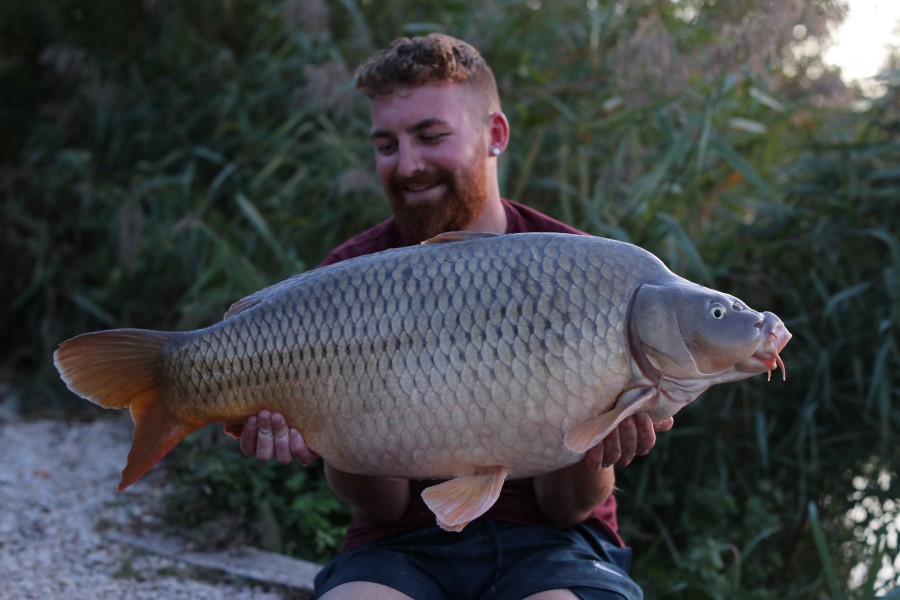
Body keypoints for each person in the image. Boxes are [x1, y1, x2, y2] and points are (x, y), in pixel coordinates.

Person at [236, 33, 673, 600]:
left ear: (495, 135)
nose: (408, 164)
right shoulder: (348, 278)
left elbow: (567, 510)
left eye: (430, 136)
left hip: (552, 546)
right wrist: (325, 431)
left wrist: (602, 443)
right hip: (399, 545)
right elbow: (385, 505)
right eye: (386, 145)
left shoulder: (578, 269)